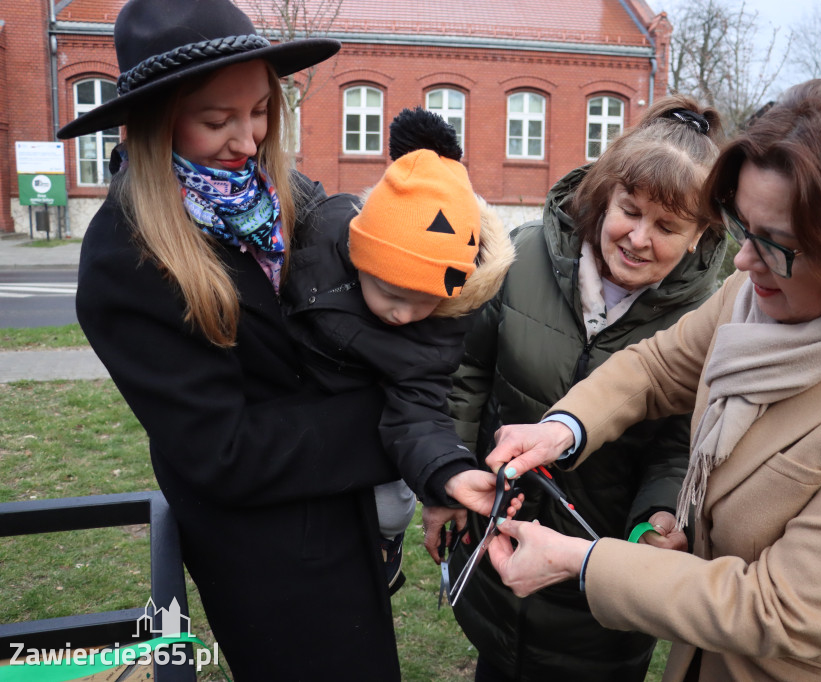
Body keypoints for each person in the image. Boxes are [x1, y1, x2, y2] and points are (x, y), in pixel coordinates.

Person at [479, 76, 821, 681]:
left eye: (776, 244)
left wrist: (581, 563)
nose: (741, 262)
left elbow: (781, 607)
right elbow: (659, 366)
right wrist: (563, 429)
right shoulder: (760, 289)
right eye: (743, 228)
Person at [58, 0, 501, 678]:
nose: (246, 138)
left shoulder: (280, 192)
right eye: (216, 120)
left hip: (346, 519)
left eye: (261, 110)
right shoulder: (126, 257)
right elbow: (221, 452)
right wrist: (396, 428)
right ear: (155, 121)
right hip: (267, 559)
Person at [439, 94, 727, 682]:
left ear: (701, 236)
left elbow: (682, 444)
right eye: (631, 210)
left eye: (668, 226)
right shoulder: (523, 258)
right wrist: (444, 479)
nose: (639, 238)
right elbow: (468, 374)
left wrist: (657, 520)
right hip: (497, 542)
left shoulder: (707, 321)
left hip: (596, 586)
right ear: (605, 193)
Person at [280, 106, 514, 595]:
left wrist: (448, 473)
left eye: (424, 301)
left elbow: (420, 412)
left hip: (358, 434)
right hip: (286, 414)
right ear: (361, 260)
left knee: (390, 508)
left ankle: (385, 546)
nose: (403, 315)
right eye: (390, 294)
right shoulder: (319, 235)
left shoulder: (436, 333)